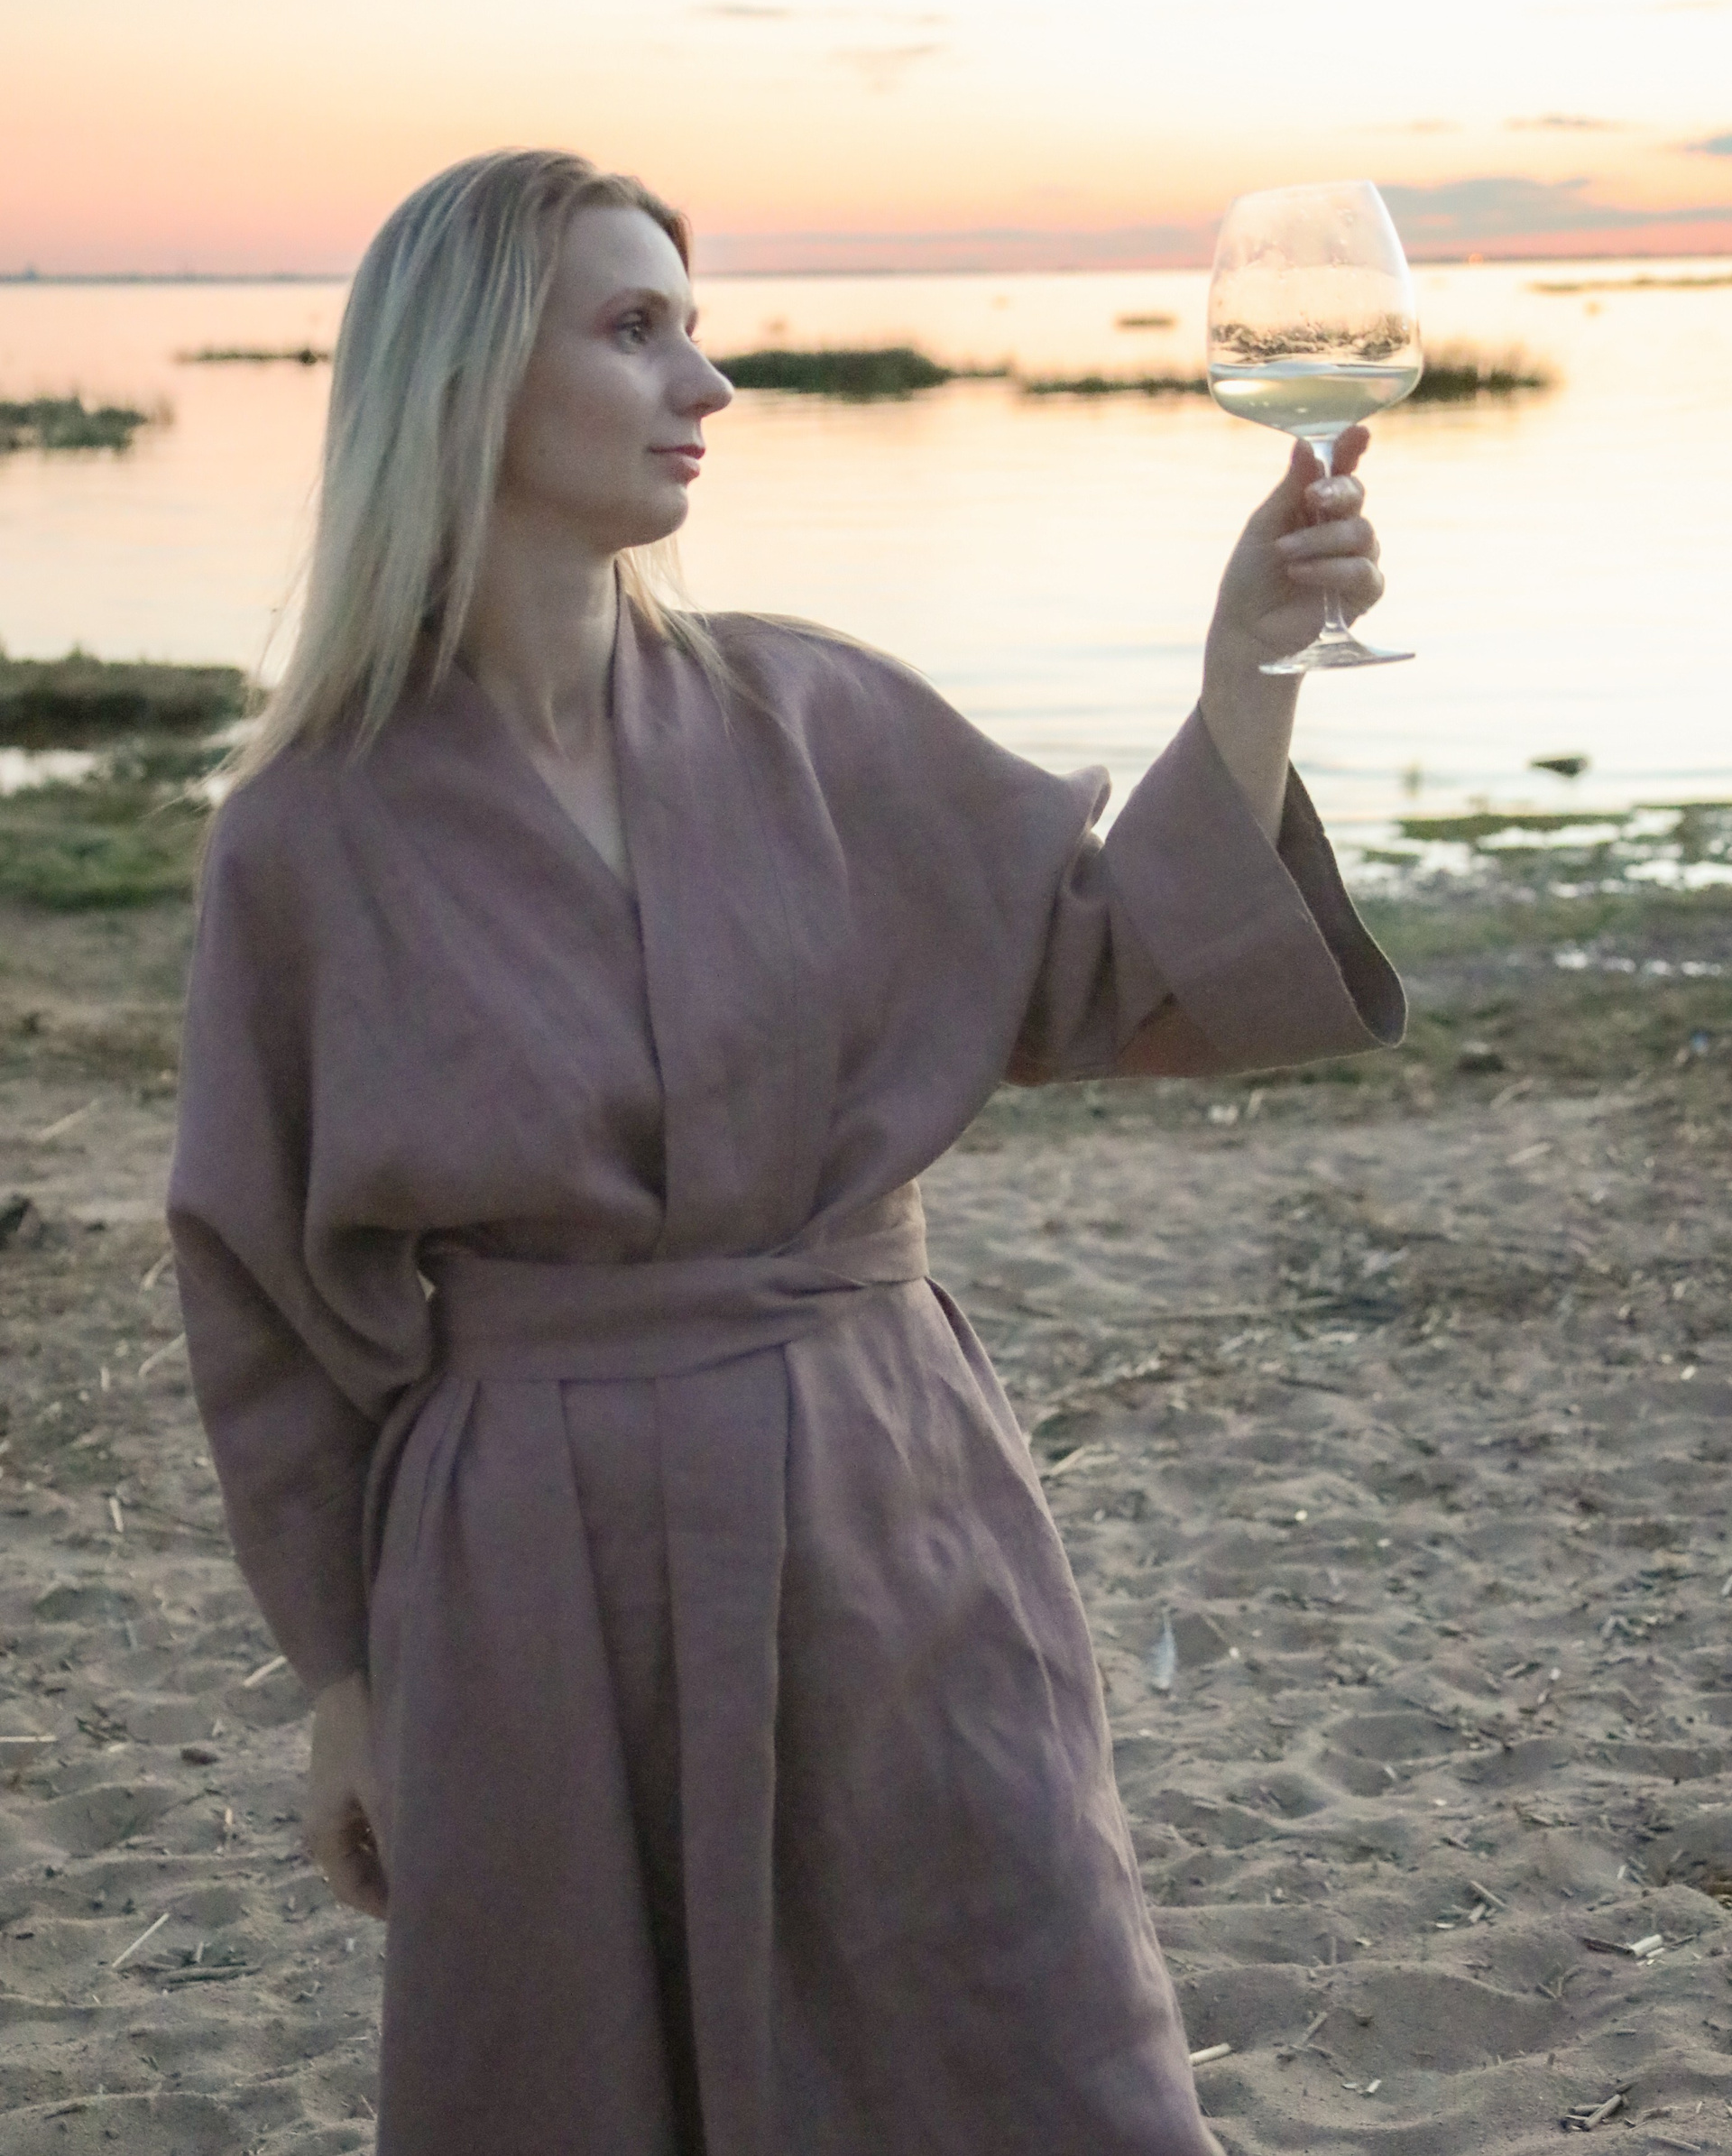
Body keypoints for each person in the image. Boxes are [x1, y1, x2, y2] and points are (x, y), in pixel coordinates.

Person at [168, 147, 1404, 2156]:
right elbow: (256, 1303)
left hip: (885, 1497)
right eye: (634, 328)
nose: (709, 382)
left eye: (698, 323)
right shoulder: (301, 834)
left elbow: (1106, 968)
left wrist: (1248, 660)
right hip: (528, 1571)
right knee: (577, 2073)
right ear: (467, 378)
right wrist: (341, 1681)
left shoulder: (814, 717)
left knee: (1024, 2021)